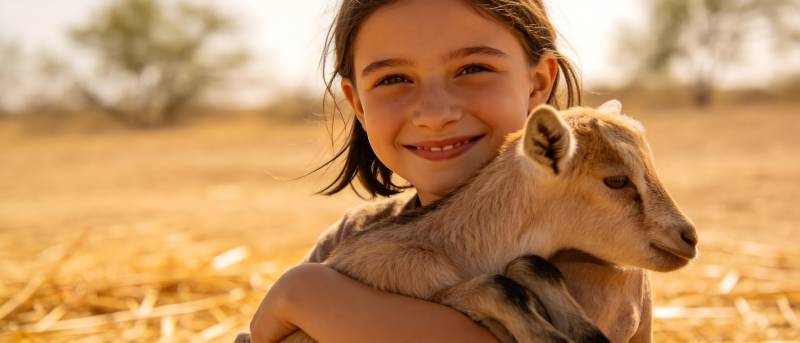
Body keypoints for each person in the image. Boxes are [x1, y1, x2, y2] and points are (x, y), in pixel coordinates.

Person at [250, 0, 652, 342]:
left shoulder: (598, 243)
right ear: (358, 104)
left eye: (472, 69)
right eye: (394, 79)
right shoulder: (355, 234)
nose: (435, 114)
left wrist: (302, 297)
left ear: (537, 83)